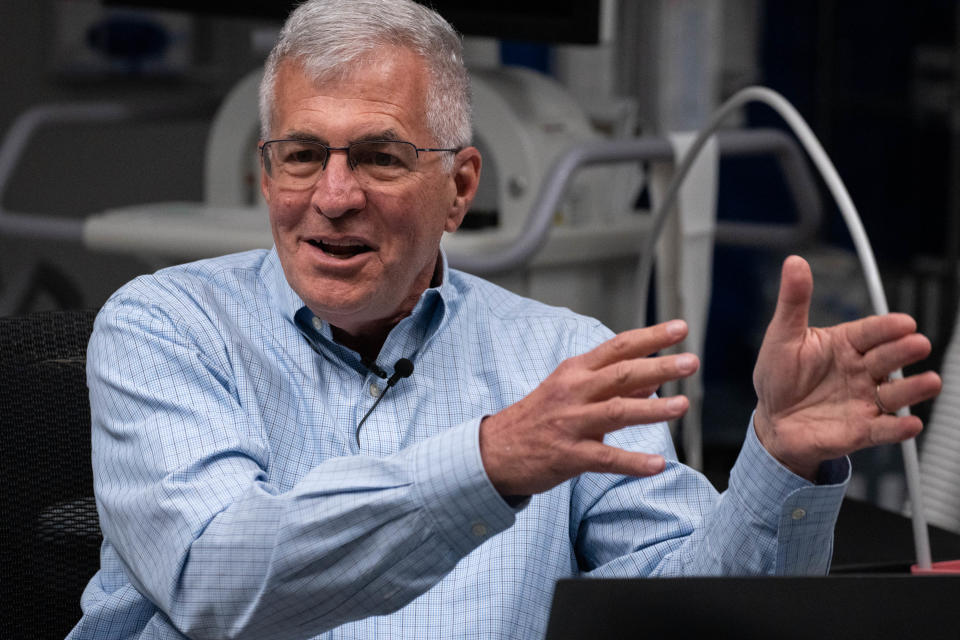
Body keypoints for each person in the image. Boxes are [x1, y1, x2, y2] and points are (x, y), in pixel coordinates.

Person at [69, 0, 942, 638]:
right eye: (302, 155)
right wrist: (488, 463)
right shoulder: (165, 327)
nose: (331, 197)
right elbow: (218, 581)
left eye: (379, 156)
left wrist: (779, 459)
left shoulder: (564, 357)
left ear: (459, 188)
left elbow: (688, 615)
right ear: (267, 176)